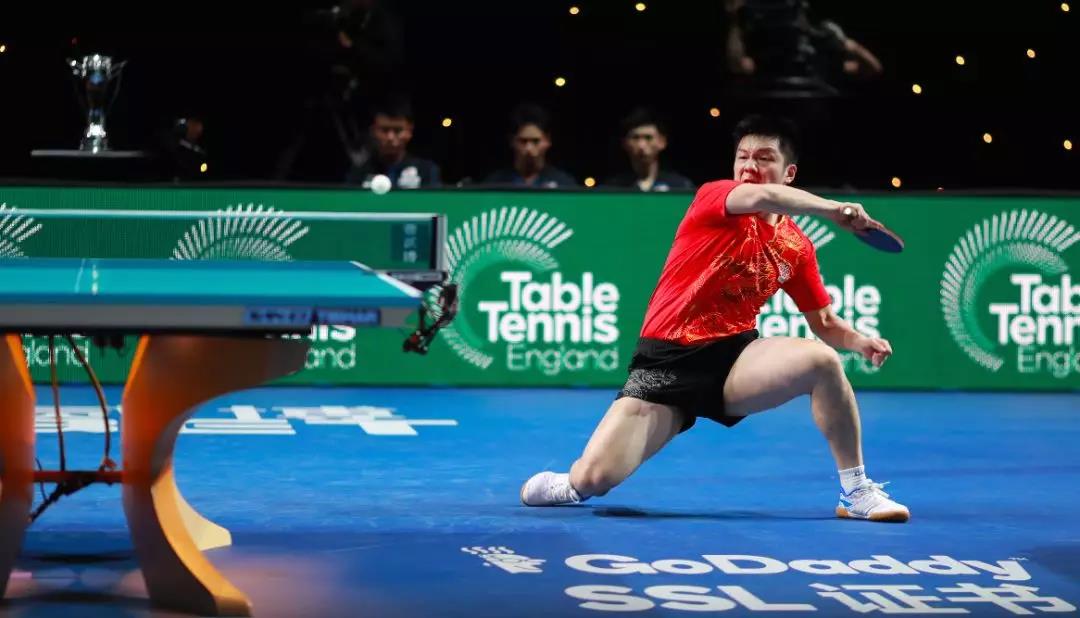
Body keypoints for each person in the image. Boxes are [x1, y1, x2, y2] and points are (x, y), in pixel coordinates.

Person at [520, 114, 909, 523]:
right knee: (595, 478)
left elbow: (824, 321)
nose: (750, 166)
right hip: (668, 361)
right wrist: (833, 209)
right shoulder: (716, 197)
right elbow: (762, 197)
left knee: (823, 361)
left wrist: (859, 341)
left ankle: (857, 491)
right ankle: (571, 483)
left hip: (735, 360)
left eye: (764, 158)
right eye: (743, 157)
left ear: (789, 173)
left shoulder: (795, 246)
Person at [345, 95, 441, 189]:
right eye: (384, 130)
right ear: (373, 131)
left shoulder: (426, 171)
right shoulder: (359, 173)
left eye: (397, 130)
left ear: (409, 131)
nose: (390, 137)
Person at [483, 104, 576, 189]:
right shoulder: (494, 184)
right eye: (523, 141)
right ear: (512, 141)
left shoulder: (564, 185)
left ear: (547, 141)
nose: (529, 148)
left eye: (535, 141)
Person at [604, 108, 694, 192]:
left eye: (648, 138)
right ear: (624, 143)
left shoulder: (682, 186)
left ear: (662, 142)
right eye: (635, 138)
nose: (641, 145)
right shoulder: (611, 188)